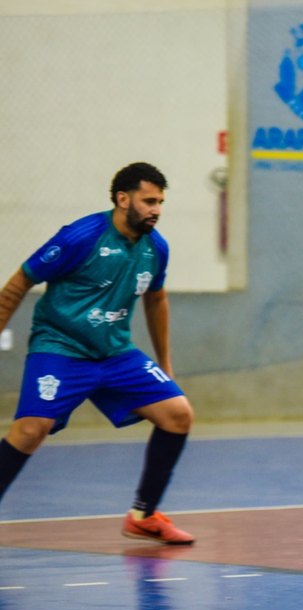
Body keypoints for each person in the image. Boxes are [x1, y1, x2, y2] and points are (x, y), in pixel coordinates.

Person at [0, 162, 195, 544]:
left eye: (160, 202)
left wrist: (165, 364)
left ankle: (143, 515)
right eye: (149, 200)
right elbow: (21, 280)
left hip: (115, 354)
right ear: (124, 199)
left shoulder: (156, 248)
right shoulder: (81, 237)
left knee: (177, 415)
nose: (156, 209)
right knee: (29, 430)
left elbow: (157, 300)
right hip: (60, 347)